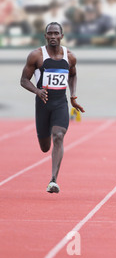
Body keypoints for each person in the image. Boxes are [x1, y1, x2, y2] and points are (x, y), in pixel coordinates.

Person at [20, 22, 84, 193]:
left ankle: (53, 179)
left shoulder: (69, 56)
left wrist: (73, 96)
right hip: (42, 105)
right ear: (45, 36)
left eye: (56, 33)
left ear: (62, 36)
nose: (53, 36)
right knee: (45, 147)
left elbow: (73, 75)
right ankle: (45, 135)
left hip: (60, 103)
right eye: (50, 33)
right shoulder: (36, 56)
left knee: (58, 136)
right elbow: (24, 80)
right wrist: (37, 91)